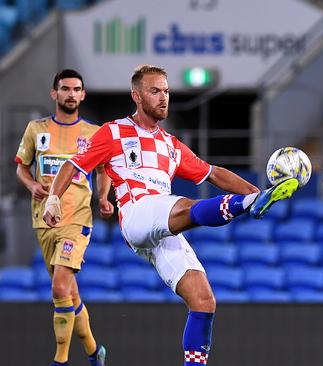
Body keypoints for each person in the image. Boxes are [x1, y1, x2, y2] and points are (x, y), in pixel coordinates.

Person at [43, 64, 299, 365]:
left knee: (203, 300)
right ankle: (246, 206)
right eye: (155, 91)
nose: (163, 97)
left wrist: (255, 191)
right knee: (185, 207)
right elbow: (73, 165)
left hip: (161, 226)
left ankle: (251, 202)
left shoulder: (171, 145)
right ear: (136, 96)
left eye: (166, 91)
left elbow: (213, 173)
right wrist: (52, 200)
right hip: (137, 213)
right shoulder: (112, 132)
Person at [15, 69, 110, 366]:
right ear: (54, 94)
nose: (71, 94)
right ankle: (95, 352)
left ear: (83, 95)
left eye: (76, 89)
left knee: (58, 288)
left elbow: (103, 170)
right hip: (44, 220)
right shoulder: (36, 129)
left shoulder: (93, 134)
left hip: (77, 219)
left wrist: (104, 197)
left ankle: (60, 360)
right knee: (68, 293)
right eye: (65, 89)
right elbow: (21, 167)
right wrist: (32, 186)